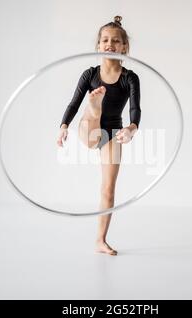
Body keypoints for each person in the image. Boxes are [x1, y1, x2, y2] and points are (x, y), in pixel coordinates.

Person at [56, 16, 141, 255]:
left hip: (113, 132)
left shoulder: (129, 78)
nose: (110, 44)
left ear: (124, 47)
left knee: (108, 189)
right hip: (89, 128)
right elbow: (73, 102)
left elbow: (135, 108)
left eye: (115, 41)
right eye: (105, 40)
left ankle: (100, 240)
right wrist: (63, 126)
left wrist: (131, 128)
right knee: (91, 122)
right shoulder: (90, 74)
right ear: (98, 45)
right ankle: (94, 107)